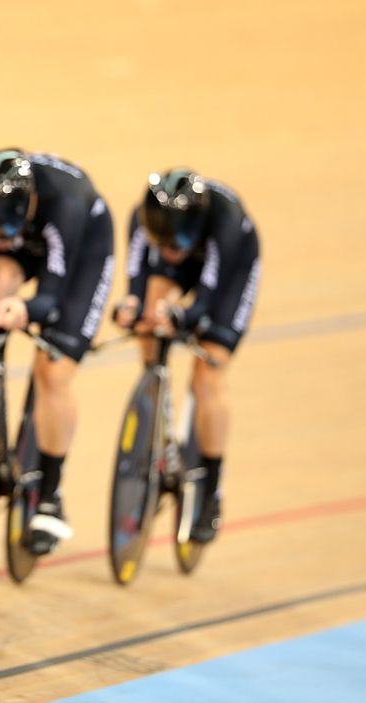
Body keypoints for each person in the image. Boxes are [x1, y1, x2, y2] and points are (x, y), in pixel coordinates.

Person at [0, 149, 114, 554]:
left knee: (52, 370)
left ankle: (51, 495)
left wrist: (27, 309)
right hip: (26, 242)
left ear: (26, 202)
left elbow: (51, 299)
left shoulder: (66, 203)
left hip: (79, 254)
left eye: (1, 230)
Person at [113, 168, 261, 543]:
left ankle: (211, 488)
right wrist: (134, 309)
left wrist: (184, 317)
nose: (168, 248)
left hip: (228, 275)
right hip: (186, 267)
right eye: (161, 241)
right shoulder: (142, 219)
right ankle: (157, 402)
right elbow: (136, 280)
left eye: (175, 241)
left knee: (207, 374)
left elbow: (207, 301)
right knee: (150, 316)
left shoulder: (226, 221)